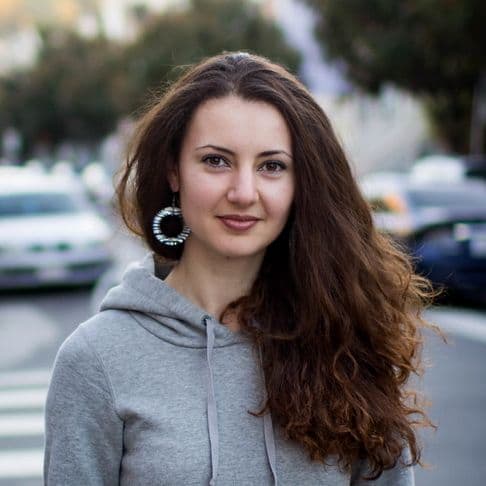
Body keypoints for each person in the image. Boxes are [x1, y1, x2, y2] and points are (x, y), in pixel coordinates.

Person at [44, 52, 435, 485]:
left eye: (272, 166)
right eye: (216, 160)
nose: (244, 192)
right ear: (174, 170)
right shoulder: (97, 359)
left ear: (300, 183)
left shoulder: (344, 332)